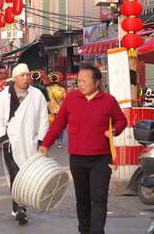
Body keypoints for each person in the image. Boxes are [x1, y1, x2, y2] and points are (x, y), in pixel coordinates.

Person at [39, 64, 127, 234]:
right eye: (79, 80)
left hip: (101, 158)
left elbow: (121, 120)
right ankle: (84, 230)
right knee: (82, 199)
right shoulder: (71, 99)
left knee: (99, 198)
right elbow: (58, 124)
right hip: (77, 158)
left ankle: (96, 231)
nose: (80, 84)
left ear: (96, 82)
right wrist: (45, 144)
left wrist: (114, 130)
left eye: (84, 81)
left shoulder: (109, 100)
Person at [0, 63, 50, 225]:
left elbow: (43, 119)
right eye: (22, 75)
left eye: (27, 75)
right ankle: (20, 208)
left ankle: (20, 206)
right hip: (10, 142)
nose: (26, 78)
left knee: (28, 176)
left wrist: (41, 140)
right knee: (15, 175)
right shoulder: (4, 96)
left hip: (31, 142)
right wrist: (3, 138)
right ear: (15, 78)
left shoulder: (37, 95)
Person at [47, 72, 66, 149]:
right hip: (60, 111)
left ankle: (51, 140)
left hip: (51, 110)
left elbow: (47, 100)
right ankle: (59, 141)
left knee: (51, 126)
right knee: (60, 126)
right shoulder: (62, 90)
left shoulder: (48, 89)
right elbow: (65, 100)